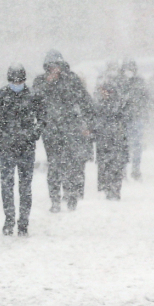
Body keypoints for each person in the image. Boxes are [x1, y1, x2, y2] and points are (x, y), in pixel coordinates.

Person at [33, 50, 94, 213]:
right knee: (54, 165)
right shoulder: (40, 81)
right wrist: (47, 83)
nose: (54, 69)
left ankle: (71, 196)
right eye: (51, 66)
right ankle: (55, 199)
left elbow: (85, 101)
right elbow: (34, 102)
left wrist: (88, 124)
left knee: (71, 164)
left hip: (70, 129)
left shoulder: (71, 79)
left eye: (56, 65)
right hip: (50, 131)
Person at [0, 64, 40, 236]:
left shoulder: (33, 96)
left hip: (27, 148)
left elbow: (42, 118)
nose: (17, 83)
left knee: (25, 186)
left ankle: (23, 222)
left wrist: (32, 134)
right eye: (14, 80)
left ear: (24, 80)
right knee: (7, 185)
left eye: (20, 80)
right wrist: (2, 136)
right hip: (6, 149)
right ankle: (9, 219)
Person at [94, 79, 130, 200]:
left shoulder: (118, 104)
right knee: (106, 166)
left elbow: (123, 121)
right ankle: (109, 188)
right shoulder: (100, 104)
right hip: (105, 141)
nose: (103, 93)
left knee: (115, 166)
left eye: (104, 91)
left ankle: (114, 189)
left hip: (115, 140)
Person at [121, 58, 149, 180]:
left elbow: (146, 98)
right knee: (124, 145)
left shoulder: (139, 82)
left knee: (136, 145)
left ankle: (135, 169)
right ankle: (124, 170)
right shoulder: (121, 82)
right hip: (125, 119)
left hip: (135, 118)